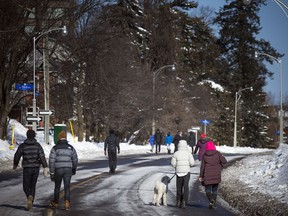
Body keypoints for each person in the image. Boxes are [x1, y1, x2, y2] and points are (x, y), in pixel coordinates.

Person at [13, 129, 48, 211]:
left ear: (27, 135)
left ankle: (29, 196)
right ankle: (31, 201)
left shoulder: (23, 146)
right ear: (34, 136)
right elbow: (42, 156)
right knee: (33, 185)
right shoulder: (37, 145)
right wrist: (45, 166)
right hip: (36, 168)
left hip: (27, 168)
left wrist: (15, 164)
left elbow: (17, 155)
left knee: (25, 186)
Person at [49, 131, 78, 211]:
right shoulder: (70, 148)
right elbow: (75, 159)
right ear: (65, 138)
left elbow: (51, 161)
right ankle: (67, 203)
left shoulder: (55, 148)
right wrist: (74, 168)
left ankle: (55, 202)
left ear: (59, 138)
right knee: (67, 187)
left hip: (58, 169)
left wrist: (52, 172)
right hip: (68, 169)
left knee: (57, 186)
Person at [199, 140, 227, 209]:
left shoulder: (205, 155)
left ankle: (211, 200)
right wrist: (221, 157)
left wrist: (201, 175)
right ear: (214, 147)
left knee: (207, 189)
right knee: (215, 189)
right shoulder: (218, 153)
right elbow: (224, 161)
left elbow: (202, 166)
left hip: (207, 175)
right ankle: (213, 201)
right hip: (216, 174)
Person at [171, 140, 195, 209]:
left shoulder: (176, 153)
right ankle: (184, 201)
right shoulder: (188, 153)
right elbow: (192, 163)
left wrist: (176, 166)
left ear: (178, 145)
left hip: (178, 172)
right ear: (186, 145)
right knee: (186, 187)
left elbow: (173, 164)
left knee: (179, 188)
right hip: (186, 172)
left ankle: (178, 201)